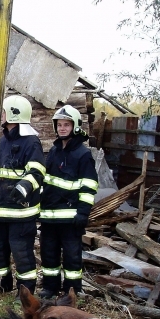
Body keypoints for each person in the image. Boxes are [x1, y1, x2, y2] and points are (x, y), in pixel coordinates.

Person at [0, 95, 45, 297]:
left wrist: (22, 189)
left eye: (3, 112)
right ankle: (1, 287)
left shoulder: (31, 142)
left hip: (21, 213)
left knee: (22, 255)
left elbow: (37, 171)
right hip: (0, 211)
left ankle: (25, 294)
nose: (0, 115)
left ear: (13, 114)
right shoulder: (2, 141)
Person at [39, 105, 98, 298]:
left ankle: (72, 291)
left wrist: (83, 213)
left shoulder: (83, 154)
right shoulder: (54, 152)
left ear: (76, 127)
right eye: (59, 125)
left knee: (72, 258)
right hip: (49, 217)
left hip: (71, 218)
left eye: (66, 125)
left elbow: (89, 187)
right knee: (49, 254)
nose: (62, 128)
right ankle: (50, 287)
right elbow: (45, 183)